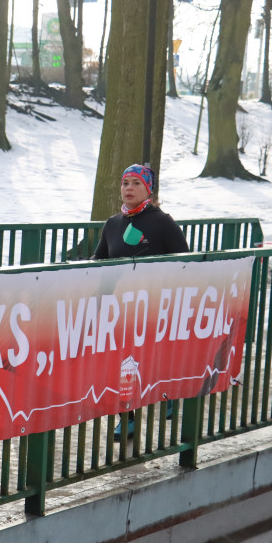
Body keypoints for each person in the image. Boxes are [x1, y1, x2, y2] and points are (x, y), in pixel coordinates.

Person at [93, 163, 189, 439]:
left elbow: (185, 263)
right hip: (121, 308)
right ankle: (128, 416)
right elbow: (98, 262)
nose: (129, 189)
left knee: (154, 356)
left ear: (148, 189)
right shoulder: (112, 224)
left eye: (136, 183)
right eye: (125, 183)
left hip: (155, 307)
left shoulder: (162, 222)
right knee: (124, 363)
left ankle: (168, 390)